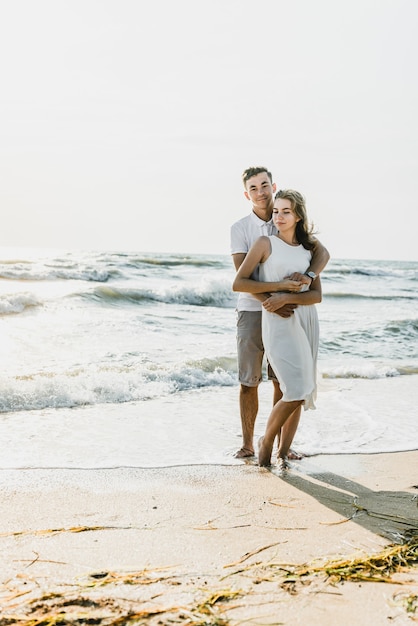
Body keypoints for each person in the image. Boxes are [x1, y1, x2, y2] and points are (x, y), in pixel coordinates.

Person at [230, 166, 329, 462]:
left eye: (265, 185)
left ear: (273, 187)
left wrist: (306, 279)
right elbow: (241, 277)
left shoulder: (284, 218)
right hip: (252, 309)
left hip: (286, 312)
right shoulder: (242, 229)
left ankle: (279, 446)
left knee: (282, 381)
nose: (261, 192)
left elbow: (320, 252)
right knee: (249, 380)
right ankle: (249, 444)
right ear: (247, 194)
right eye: (254, 188)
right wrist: (273, 299)